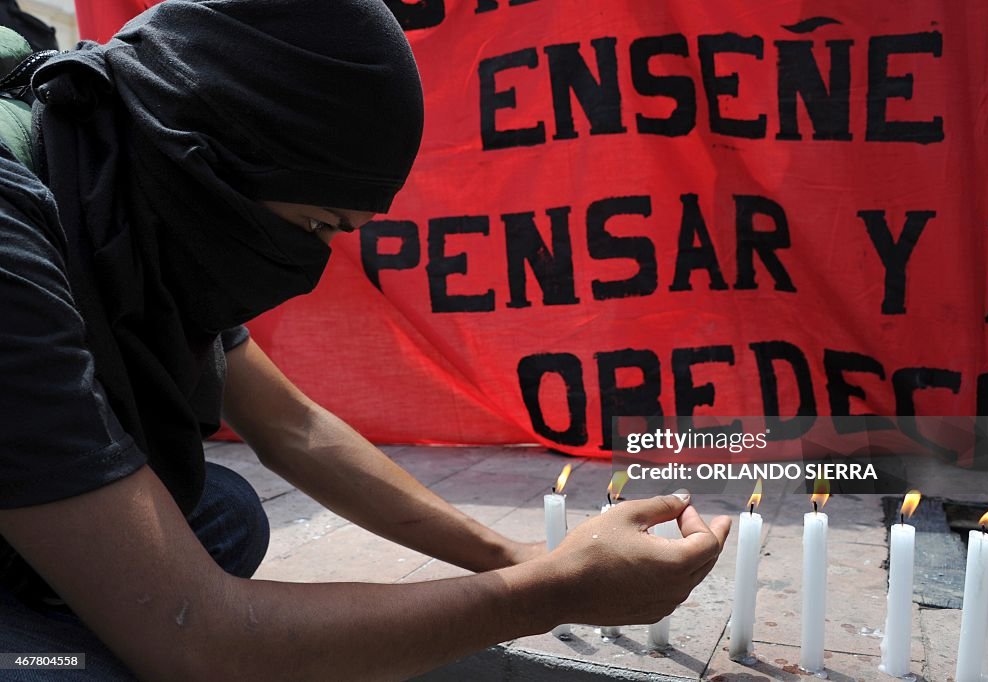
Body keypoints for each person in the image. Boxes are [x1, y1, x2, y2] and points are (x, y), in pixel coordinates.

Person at [0, 0, 731, 679]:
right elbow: (195, 634)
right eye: (317, 224)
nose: (313, 263)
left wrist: (507, 555)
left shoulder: (126, 177)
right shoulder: (18, 239)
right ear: (207, 163)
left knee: (222, 513)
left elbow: (293, 425)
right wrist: (548, 592)